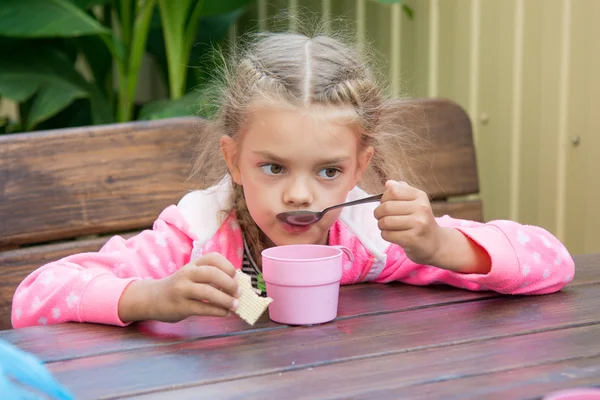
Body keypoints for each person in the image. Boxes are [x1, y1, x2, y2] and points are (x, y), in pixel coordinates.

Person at [11, 31, 574, 329]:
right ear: (233, 160)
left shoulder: (369, 240)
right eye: (273, 167)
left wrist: (439, 244)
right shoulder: (198, 242)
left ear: (359, 167)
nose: (301, 194)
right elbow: (35, 297)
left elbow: (553, 262)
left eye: (329, 171)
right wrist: (151, 296)